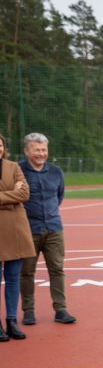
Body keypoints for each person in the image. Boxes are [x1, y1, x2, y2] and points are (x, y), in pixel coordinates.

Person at [19, 133, 76, 325]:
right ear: (27, 151)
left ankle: (60, 309)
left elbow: (59, 196)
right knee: (27, 272)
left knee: (57, 269)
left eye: (44, 150)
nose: (41, 153)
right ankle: (28, 311)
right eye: (37, 149)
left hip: (53, 228)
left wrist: (49, 214)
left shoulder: (55, 171)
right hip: (27, 230)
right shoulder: (18, 171)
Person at [0, 133, 35, 341]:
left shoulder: (13, 167)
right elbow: (16, 194)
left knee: (13, 279)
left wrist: (11, 194)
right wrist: (11, 194)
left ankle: (12, 321)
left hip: (15, 230)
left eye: (0, 144)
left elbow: (24, 194)